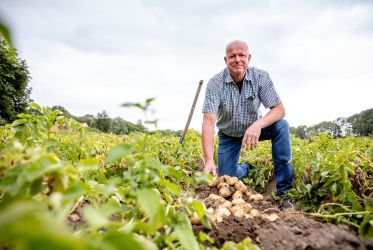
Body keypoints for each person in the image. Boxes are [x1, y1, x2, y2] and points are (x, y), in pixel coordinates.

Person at [201, 40, 295, 209]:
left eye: (241, 55)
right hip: (229, 135)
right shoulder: (215, 83)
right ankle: (246, 168)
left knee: (281, 125)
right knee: (228, 181)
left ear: (249, 58)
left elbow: (279, 109)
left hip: (255, 130)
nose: (237, 59)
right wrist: (208, 160)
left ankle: (284, 193)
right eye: (232, 56)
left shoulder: (260, 77)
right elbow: (208, 121)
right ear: (225, 60)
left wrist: (258, 125)